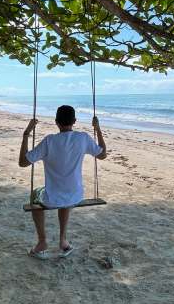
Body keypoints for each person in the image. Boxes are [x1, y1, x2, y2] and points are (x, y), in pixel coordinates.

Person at [18, 105, 107, 259]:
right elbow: (102, 154)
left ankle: (42, 242)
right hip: (75, 196)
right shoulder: (83, 138)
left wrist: (26, 134)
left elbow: (23, 162)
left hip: (53, 198)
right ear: (74, 121)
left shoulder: (49, 141)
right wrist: (98, 129)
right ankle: (63, 241)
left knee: (35, 194)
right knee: (65, 195)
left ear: (56, 122)